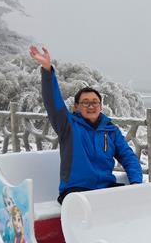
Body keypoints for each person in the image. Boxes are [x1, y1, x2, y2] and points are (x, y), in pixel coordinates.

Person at [29, 45, 143, 202]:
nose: (91, 106)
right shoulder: (67, 126)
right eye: (85, 102)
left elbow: (128, 156)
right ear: (76, 107)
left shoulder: (110, 130)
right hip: (75, 192)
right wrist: (47, 70)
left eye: (95, 102)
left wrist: (137, 182)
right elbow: (53, 102)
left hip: (104, 188)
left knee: (133, 204)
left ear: (101, 106)